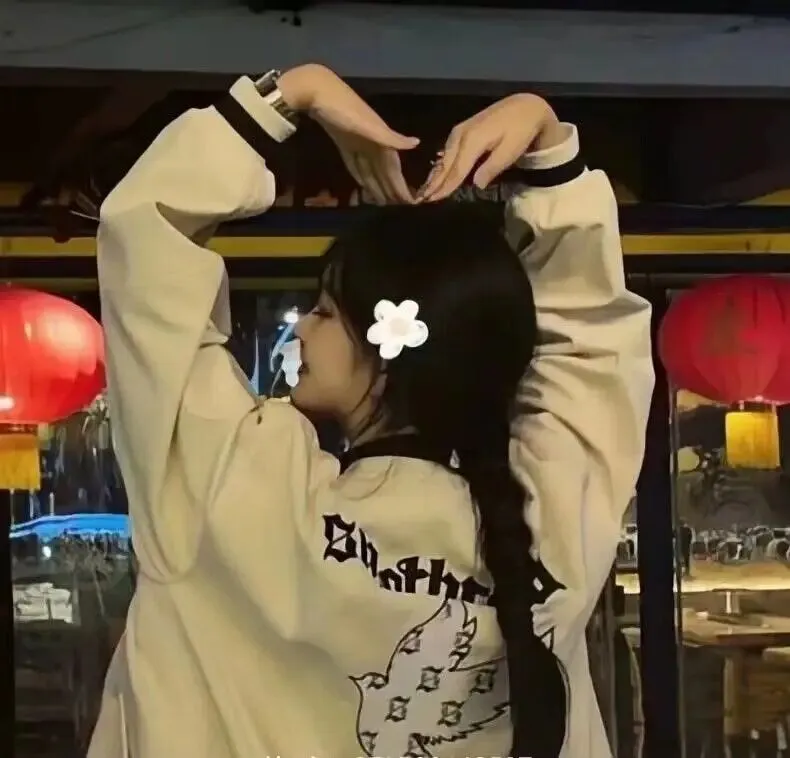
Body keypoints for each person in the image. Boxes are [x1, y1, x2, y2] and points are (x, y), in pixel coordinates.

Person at [87, 64, 654, 758]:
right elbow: (594, 348)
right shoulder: (552, 518)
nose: (302, 329)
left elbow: (148, 248)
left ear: (389, 352)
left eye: (325, 311)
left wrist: (289, 93)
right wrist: (547, 147)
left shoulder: (238, 489)